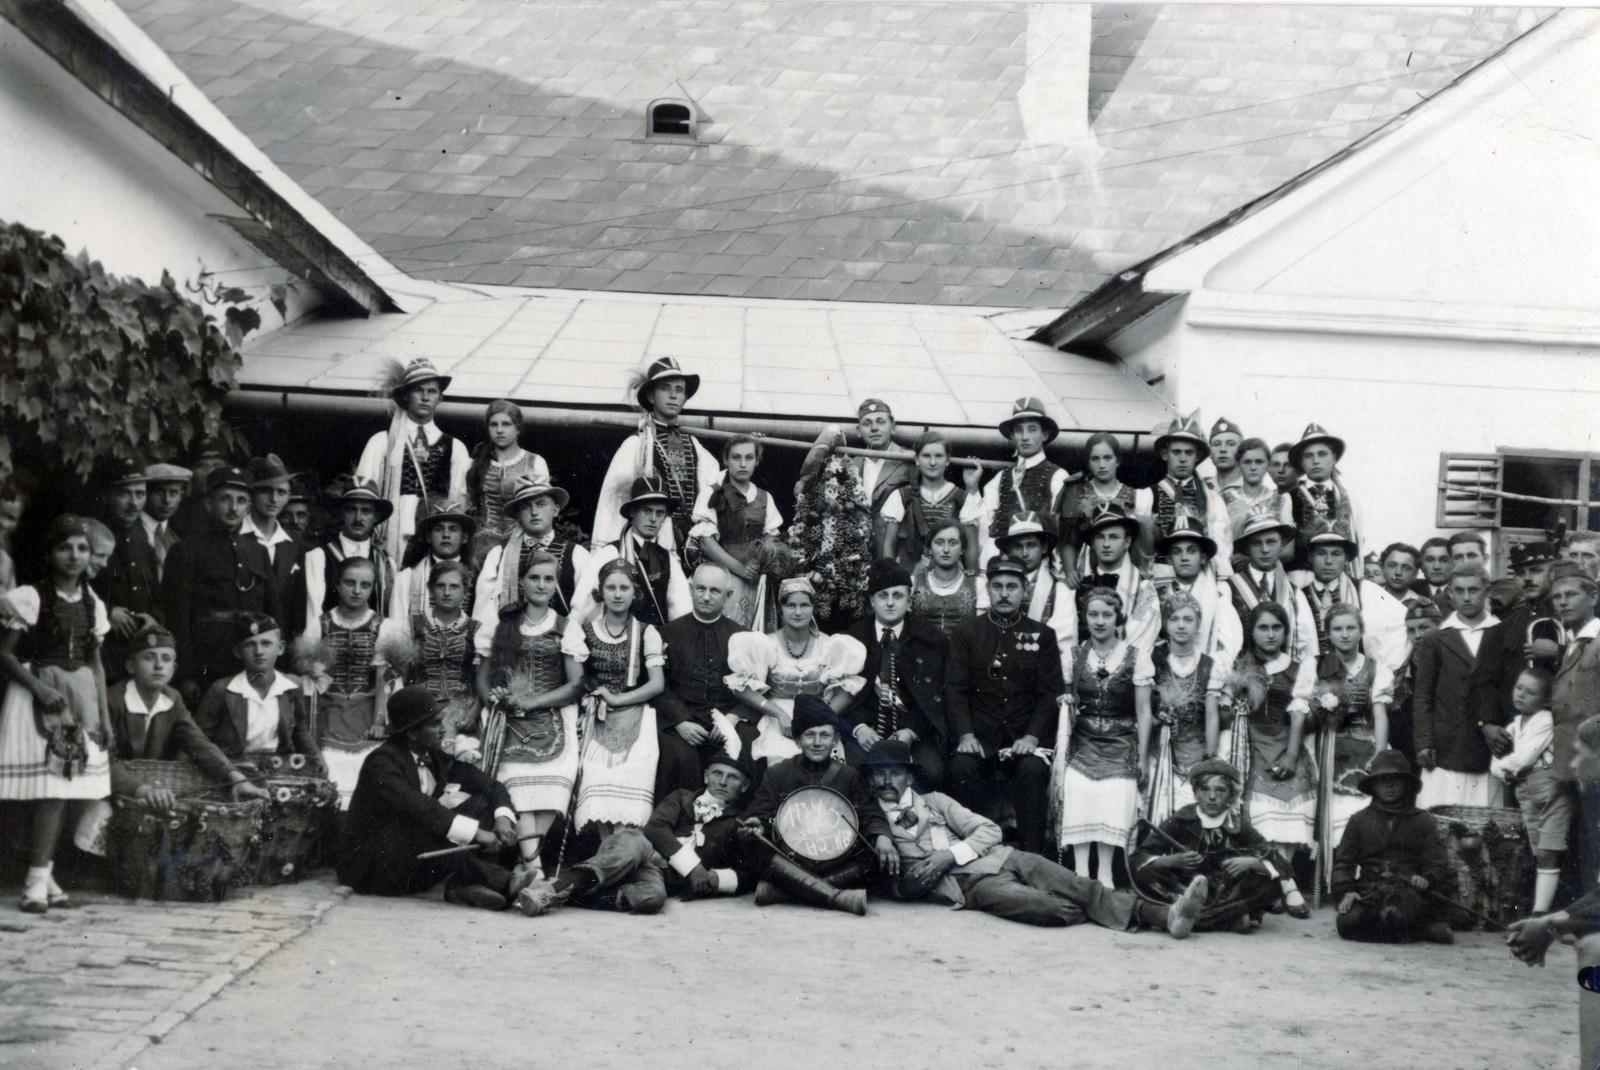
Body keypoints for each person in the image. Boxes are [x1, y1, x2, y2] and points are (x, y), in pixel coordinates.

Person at [869, 741, 1207, 937]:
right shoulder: (876, 822)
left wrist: (950, 854)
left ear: (909, 776)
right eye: (879, 773)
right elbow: (900, 883)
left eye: (894, 772)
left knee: (1078, 884)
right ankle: (1105, 909)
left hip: (1004, 857)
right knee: (1048, 908)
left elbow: (990, 830)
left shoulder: (936, 801)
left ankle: (1166, 917)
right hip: (970, 885)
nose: (886, 780)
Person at [0, 516, 113, 913]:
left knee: (69, 791)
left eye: (82, 549)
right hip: (40, 698)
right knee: (51, 790)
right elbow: (5, 654)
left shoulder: (92, 603)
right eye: (65, 548)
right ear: (50, 553)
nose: (74, 556)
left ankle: (44, 874)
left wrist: (103, 718)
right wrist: (39, 687)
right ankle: (35, 877)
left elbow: (96, 665)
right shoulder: (31, 597)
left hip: (78, 702)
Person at [337, 686, 522, 910]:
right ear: (412, 733)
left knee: (481, 804)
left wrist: (502, 819)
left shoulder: (433, 756)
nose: (444, 730)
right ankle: (508, 883)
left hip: (412, 862)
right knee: (424, 824)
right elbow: (420, 809)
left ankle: (464, 886)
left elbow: (491, 785)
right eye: (435, 724)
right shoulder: (381, 763)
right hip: (373, 870)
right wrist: (477, 833)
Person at [514, 751, 758, 917]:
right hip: (641, 846)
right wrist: (693, 867)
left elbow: (748, 872)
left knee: (652, 897)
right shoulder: (683, 797)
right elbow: (655, 829)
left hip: (660, 873)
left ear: (744, 786)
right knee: (628, 853)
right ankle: (550, 890)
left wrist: (717, 879)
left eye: (733, 777)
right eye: (717, 773)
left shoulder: (739, 823)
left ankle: (566, 896)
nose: (723, 782)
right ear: (706, 776)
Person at [471, 550, 585, 882]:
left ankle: (528, 864)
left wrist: (534, 702)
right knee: (517, 788)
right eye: (534, 577)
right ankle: (534, 869)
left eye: (548, 579)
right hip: (508, 720)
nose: (541, 584)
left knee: (555, 785)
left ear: (556, 585)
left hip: (551, 715)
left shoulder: (566, 626)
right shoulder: (503, 624)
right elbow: (482, 675)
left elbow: (576, 685)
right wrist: (492, 700)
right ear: (521, 582)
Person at [944, 554, 1063, 854]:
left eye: (1012, 586)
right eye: (998, 586)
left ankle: (1032, 856)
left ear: (1024, 591)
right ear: (988, 589)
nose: (1005, 593)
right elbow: (955, 689)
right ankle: (970, 854)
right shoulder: (967, 632)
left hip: (1024, 737)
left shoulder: (1043, 635)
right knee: (961, 766)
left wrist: (1032, 737)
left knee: (1032, 771)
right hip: (980, 737)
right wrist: (966, 735)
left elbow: (1050, 694)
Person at [738, 694, 896, 915]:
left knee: (878, 854)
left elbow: (870, 812)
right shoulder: (778, 773)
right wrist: (757, 824)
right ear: (797, 740)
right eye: (809, 735)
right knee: (753, 847)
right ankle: (837, 896)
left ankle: (786, 892)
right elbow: (759, 812)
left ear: (835, 739)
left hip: (837, 858)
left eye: (824, 735)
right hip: (791, 857)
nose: (817, 742)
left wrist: (882, 836)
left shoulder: (850, 775)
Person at [107, 622, 271, 810]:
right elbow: (104, 760)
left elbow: (198, 743)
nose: (159, 665)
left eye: (166, 658)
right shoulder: (112, 700)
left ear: (174, 669)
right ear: (130, 666)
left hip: (154, 794)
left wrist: (235, 778)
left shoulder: (172, 698)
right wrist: (141, 790)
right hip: (115, 792)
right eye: (149, 658)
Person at [1221, 601, 1317, 918]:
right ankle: (1285, 885)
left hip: (1288, 744)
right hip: (1249, 747)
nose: (1270, 634)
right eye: (1263, 627)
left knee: (1291, 810)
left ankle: (1281, 881)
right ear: (1252, 632)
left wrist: (1291, 754)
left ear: (1286, 632)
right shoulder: (1242, 664)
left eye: (1277, 628)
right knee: (1261, 816)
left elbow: (1300, 713)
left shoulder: (1298, 667)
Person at [1055, 588, 1152, 889]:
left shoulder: (1136, 657)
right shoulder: (1074, 655)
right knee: (1078, 788)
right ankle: (1082, 872)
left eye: (1106, 615)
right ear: (1085, 618)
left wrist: (1144, 757)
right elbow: (1068, 701)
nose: (1099, 621)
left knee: (1114, 794)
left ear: (1118, 618)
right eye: (1093, 614)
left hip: (1121, 742)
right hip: (1083, 742)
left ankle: (1106, 874)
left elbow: (1144, 711)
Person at [563, 559, 666, 833]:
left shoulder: (646, 632)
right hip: (596, 715)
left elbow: (657, 684)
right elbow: (577, 678)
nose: (618, 594)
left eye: (624, 588)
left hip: (635, 711)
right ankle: (608, 848)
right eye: (611, 587)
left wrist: (618, 699)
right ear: (601, 591)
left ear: (635, 593)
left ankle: (622, 847)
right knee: (593, 776)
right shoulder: (584, 631)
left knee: (631, 775)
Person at [161, 466, 280, 703]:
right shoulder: (186, 550)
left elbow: (273, 612)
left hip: (251, 661)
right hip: (206, 664)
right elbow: (177, 618)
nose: (234, 507)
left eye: (241, 500)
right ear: (208, 504)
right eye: (225, 499)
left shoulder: (257, 551)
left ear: (248, 507)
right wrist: (186, 674)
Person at [1130, 758, 1290, 933]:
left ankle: (1189, 917)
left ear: (1232, 796)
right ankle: (1228, 920)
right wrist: (1170, 861)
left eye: (1220, 790)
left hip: (1224, 894)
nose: (1212, 797)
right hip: (1183, 888)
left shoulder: (1239, 825)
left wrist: (1251, 862)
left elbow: (1281, 864)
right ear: (1195, 793)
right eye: (1204, 789)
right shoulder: (1180, 820)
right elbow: (1138, 857)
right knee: (1144, 873)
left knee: (1269, 883)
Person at [726, 576, 867, 768]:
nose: (798, 612)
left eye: (804, 605)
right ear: (781, 609)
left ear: (813, 608)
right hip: (777, 721)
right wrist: (777, 713)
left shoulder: (829, 645)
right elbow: (741, 687)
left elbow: (846, 693)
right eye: (791, 605)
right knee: (780, 766)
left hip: (819, 720)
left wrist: (820, 719)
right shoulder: (765, 643)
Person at [594, 357, 720, 559]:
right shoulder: (636, 446)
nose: (673, 395)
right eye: (665, 388)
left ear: (684, 398)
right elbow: (614, 505)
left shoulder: (695, 446)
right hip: (651, 543)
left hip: (690, 546)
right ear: (651, 396)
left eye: (679, 390)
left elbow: (716, 486)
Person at [308, 558, 408, 808]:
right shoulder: (319, 624)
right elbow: (312, 678)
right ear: (338, 585)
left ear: (373, 588)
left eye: (365, 585)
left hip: (369, 712)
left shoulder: (384, 627)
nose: (356, 590)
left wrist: (379, 720)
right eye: (349, 583)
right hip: (328, 712)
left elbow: (386, 678)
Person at [842, 559, 948, 788]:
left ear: (909, 601)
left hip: (912, 731)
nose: (890, 603)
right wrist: (859, 727)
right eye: (883, 596)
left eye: (898, 596)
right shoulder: (852, 638)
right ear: (872, 601)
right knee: (853, 776)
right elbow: (842, 695)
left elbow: (935, 698)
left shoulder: (930, 639)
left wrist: (911, 731)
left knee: (932, 772)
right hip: (866, 731)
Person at [1331, 751, 1455, 944]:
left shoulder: (1423, 820)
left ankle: (1402, 926)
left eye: (1395, 780)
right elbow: (1343, 864)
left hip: (1408, 892)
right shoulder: (1359, 820)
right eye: (1382, 781)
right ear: (1372, 785)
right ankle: (1421, 931)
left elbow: (1437, 863)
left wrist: (1426, 879)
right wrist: (1347, 891)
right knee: (1347, 923)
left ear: (1406, 785)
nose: (1389, 786)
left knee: (1397, 914)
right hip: (1369, 891)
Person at [357, 358, 470, 569]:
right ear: (406, 395)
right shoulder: (382, 442)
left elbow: (457, 503)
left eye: (432, 391)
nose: (425, 397)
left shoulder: (456, 448)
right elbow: (364, 496)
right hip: (390, 531)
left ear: (440, 398)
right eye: (419, 390)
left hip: (433, 533)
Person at [654, 563, 750, 797]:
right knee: (677, 756)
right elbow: (659, 686)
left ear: (728, 596)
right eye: (700, 589)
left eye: (715, 591)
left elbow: (754, 685)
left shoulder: (741, 636)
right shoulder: (667, 633)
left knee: (745, 750)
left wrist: (732, 719)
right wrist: (680, 722)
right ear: (690, 589)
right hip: (681, 723)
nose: (706, 597)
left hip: (726, 721)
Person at [1413, 564, 1504, 808]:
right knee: (1443, 814)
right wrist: (1424, 741)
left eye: (1473, 590)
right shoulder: (1436, 638)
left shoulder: (1502, 633)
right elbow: (1423, 694)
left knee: (1486, 817)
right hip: (1447, 742)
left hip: (1488, 743)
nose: (1466, 597)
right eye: (1459, 591)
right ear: (1450, 594)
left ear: (1487, 591)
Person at [1314, 603, 1394, 873]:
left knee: (1363, 808)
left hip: (1366, 743)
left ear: (1361, 631)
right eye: (1337, 629)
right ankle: (1338, 875)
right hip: (1330, 746)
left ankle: (1365, 874)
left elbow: (1380, 714)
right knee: (1334, 811)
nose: (1345, 635)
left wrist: (1381, 753)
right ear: (1328, 634)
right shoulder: (1317, 666)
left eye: (1351, 628)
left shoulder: (1374, 668)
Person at [1144, 591, 1226, 828]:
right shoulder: (1153, 659)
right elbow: (1143, 707)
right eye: (1175, 619)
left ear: (1198, 623)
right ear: (1166, 624)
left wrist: (1210, 758)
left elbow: (1211, 714)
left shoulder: (1209, 664)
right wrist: (1158, 718)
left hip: (1196, 751)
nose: (1181, 625)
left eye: (1188, 619)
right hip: (1160, 751)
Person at [193, 612, 320, 763]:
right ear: (237, 651)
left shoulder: (292, 686)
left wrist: (317, 758)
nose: (259, 651)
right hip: (233, 770)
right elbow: (196, 740)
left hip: (277, 768)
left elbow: (299, 730)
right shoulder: (222, 690)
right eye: (250, 644)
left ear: (280, 648)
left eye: (266, 643)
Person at [1489, 667, 1567, 914]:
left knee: (1549, 849)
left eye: (1530, 692)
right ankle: (1540, 907)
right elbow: (1495, 762)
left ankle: (1541, 911)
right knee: (1537, 848)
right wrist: (1504, 770)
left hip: (1548, 789)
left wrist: (1507, 768)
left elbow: (1524, 758)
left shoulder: (1544, 720)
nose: (1521, 695)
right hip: (1526, 792)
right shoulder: (1514, 725)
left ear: (1544, 700)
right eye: (1519, 688)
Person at [687, 434, 784, 629]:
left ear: (757, 461)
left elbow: (771, 539)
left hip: (755, 580)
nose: (742, 464)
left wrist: (760, 562)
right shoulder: (711, 492)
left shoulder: (765, 498)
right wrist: (740, 569)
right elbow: (706, 542)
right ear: (726, 460)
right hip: (722, 577)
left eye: (749, 458)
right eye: (736, 457)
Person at [799, 398, 915, 556]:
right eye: (867, 423)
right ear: (859, 430)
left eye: (880, 422)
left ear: (892, 427)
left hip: (896, 552)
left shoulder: (909, 460)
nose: (874, 428)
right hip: (858, 554)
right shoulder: (850, 465)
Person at [570, 476, 691, 627]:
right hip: (618, 641)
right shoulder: (610, 553)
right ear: (633, 512)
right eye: (647, 511)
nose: (653, 519)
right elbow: (583, 606)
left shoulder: (668, 559)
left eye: (659, 513)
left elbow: (681, 609)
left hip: (657, 643)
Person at [473, 476, 588, 625]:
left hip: (561, 641)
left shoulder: (577, 555)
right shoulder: (499, 555)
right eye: (526, 506)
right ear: (518, 515)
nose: (534, 512)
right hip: (510, 641)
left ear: (555, 510)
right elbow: (485, 611)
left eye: (541, 504)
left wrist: (564, 636)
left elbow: (583, 608)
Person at [1293, 522, 1407, 672]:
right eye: (1321, 553)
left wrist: (1385, 671)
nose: (1328, 561)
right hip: (1311, 677)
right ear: (1310, 558)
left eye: (1336, 554)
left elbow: (1403, 623)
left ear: (1346, 559)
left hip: (1356, 678)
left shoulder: (1365, 590)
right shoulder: (1297, 596)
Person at [1134, 415, 1232, 581]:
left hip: (1200, 578)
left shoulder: (1212, 499)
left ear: (1198, 456)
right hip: (1161, 576)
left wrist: (1219, 580)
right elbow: (1142, 550)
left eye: (1189, 453)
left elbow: (1221, 546)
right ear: (1165, 454)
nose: (1182, 459)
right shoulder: (1148, 495)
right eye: (1176, 452)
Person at [298, 478, 394, 642]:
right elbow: (314, 615)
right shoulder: (319, 556)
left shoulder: (385, 562)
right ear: (341, 513)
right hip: (330, 648)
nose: (358, 518)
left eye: (366, 511)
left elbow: (389, 615)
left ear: (376, 517)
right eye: (351, 510)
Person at [980, 397, 1070, 565]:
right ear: (1012, 437)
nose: (1025, 437)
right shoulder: (998, 480)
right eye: (1019, 431)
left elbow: (1061, 531)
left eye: (1032, 429)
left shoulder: (1058, 476)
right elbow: (986, 530)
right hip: (1004, 563)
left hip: (1041, 564)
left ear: (1045, 435)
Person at [982, 511, 1075, 673]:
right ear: (1008, 550)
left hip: (1043, 674)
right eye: (1018, 546)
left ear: (1044, 547)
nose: (1025, 553)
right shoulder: (993, 587)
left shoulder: (1060, 591)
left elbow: (1063, 643)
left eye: (1031, 545)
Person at [879, 431, 981, 574]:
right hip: (910, 573)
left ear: (947, 460)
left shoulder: (962, 498)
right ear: (916, 460)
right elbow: (889, 543)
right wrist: (890, 576)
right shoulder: (902, 496)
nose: (932, 462)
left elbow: (970, 547)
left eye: (938, 456)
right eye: (926, 456)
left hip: (949, 576)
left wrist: (973, 580)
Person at [1227, 503, 1317, 664]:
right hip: (1243, 680)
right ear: (1247, 547)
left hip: (1285, 682)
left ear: (1282, 545)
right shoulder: (1228, 589)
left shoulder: (1294, 594)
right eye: (1257, 543)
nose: (1265, 550)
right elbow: (1224, 647)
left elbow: (1308, 646)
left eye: (1271, 542)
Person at [95, 459, 160, 680]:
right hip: (101, 652)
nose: (134, 503)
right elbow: (70, 588)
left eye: (140, 494)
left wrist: (153, 619)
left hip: (139, 653)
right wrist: (107, 611)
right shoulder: (92, 538)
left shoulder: (143, 540)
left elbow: (157, 596)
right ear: (107, 495)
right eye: (125, 494)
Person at [1154, 513, 1243, 668]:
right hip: (1163, 672)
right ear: (1169, 559)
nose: (1184, 557)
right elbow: (1136, 632)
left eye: (1191, 551)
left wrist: (1206, 670)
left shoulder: (1219, 595)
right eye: (1177, 552)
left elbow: (1231, 643)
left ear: (1203, 558)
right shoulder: (1153, 592)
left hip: (1205, 673)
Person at [465, 399, 550, 559]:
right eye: (493, 424)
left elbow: (544, 508)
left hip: (523, 541)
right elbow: (467, 505)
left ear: (518, 428)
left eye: (506, 424)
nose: (499, 430)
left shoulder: (535, 462)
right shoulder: (476, 463)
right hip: (483, 545)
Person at [403, 560, 479, 730]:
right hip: (421, 710)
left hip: (462, 710)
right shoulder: (411, 625)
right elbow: (398, 675)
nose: (446, 592)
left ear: (465, 591)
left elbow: (480, 678)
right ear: (431, 589)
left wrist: (472, 716)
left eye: (454, 587)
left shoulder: (476, 629)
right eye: (440, 586)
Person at [1054, 431, 1136, 586]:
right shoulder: (1076, 492)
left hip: (1124, 571)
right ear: (1088, 462)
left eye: (1107, 458)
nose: (1102, 465)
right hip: (1086, 570)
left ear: (1117, 461)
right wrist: (1070, 570)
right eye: (1095, 459)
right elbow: (1068, 540)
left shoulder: (1133, 494)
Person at [1074, 503, 1159, 653]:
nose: (1106, 544)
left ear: (1127, 542)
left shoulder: (1144, 590)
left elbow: (1140, 636)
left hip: (1125, 669)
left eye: (1113, 537)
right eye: (1100, 537)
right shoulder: (1079, 585)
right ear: (1092, 543)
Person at [1286, 423, 1362, 574]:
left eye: (1322, 454)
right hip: (1300, 582)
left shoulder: (1350, 500)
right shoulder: (1288, 498)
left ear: (1333, 458)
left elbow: (1359, 548)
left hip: (1342, 583)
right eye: (1309, 456)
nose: (1315, 461)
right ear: (1301, 462)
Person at [389, 498, 476, 621]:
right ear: (429, 537)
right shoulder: (406, 579)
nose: (446, 534)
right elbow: (397, 631)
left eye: (453, 529)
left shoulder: (476, 579)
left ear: (464, 537)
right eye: (439, 529)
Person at [241, 455, 304, 625]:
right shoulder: (235, 536)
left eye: (281, 492)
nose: (274, 499)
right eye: (266, 490)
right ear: (252, 493)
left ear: (289, 495)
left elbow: (299, 603)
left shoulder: (295, 541)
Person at [908, 521, 979, 638]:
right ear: (929, 549)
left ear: (962, 549)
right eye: (939, 543)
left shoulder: (978, 585)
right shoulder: (913, 583)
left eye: (953, 543)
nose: (946, 550)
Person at [1220, 437, 1293, 537]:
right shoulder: (1224, 498)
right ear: (1238, 464)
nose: (1253, 467)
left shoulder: (1281, 501)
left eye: (1259, 462)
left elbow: (1287, 546)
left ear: (1268, 465)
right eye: (1247, 462)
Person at [140, 462, 191, 585]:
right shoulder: (131, 530)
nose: (167, 500)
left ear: (181, 496)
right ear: (145, 493)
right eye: (159, 492)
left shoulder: (180, 535)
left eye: (173, 493)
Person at [1414, 537, 1455, 611]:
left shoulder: (1464, 590)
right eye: (1430, 560)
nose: (1437, 567)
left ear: (1454, 563)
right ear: (1421, 565)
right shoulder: (1410, 589)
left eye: (1444, 560)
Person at [1377, 542, 1423, 606]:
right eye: (1392, 565)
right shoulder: (1370, 597)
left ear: (1416, 573)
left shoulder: (1422, 605)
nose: (1398, 572)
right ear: (1382, 567)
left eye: (1406, 568)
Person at [1206, 417, 1245, 493]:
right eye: (1217, 444)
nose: (1223, 449)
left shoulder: (1252, 488)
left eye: (1231, 444)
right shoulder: (1202, 488)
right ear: (1210, 452)